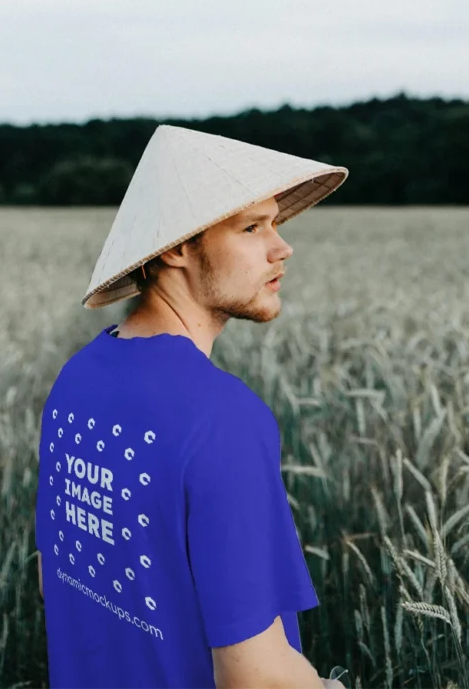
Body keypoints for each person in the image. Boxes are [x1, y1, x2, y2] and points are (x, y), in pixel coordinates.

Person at [35, 124, 349, 688]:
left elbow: (60, 579)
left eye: (276, 223)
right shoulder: (222, 417)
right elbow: (257, 678)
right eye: (252, 226)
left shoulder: (75, 379)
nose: (282, 247)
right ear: (178, 246)